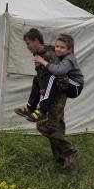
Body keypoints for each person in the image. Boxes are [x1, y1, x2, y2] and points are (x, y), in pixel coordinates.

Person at [14, 28, 78, 168]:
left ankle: (69, 150)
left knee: (44, 125)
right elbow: (43, 77)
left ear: (36, 41)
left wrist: (48, 90)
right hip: (50, 95)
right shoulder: (40, 54)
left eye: (28, 43)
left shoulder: (49, 55)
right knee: (57, 125)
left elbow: (61, 76)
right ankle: (61, 158)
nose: (27, 46)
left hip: (56, 96)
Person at [30, 34, 84, 121]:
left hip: (76, 87)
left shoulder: (69, 59)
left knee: (54, 76)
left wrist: (43, 61)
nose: (58, 49)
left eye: (62, 47)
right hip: (66, 83)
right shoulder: (61, 54)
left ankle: (42, 110)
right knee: (37, 79)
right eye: (57, 46)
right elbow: (53, 49)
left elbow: (59, 71)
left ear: (69, 50)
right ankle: (30, 106)